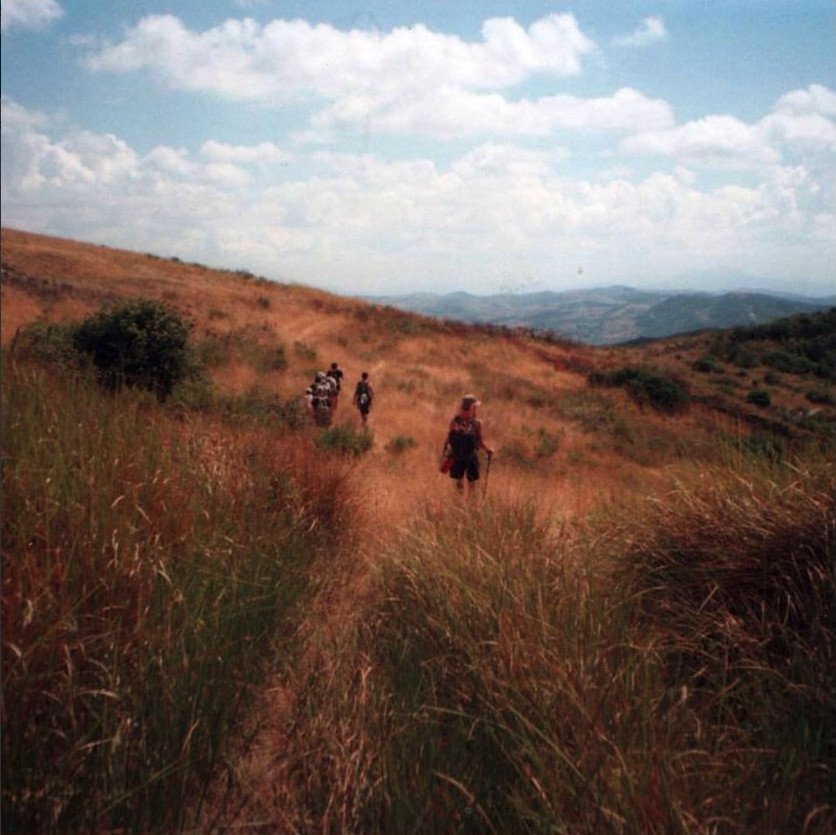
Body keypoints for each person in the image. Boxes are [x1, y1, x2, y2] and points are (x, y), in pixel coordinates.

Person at [443, 394, 493, 493]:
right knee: (471, 485)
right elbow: (480, 441)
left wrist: (446, 450)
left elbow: (449, 438)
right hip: (470, 457)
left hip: (458, 456)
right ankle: (468, 505)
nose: (476, 409)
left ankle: (460, 504)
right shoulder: (476, 423)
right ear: (472, 407)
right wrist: (488, 450)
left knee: (459, 483)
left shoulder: (455, 421)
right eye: (475, 407)